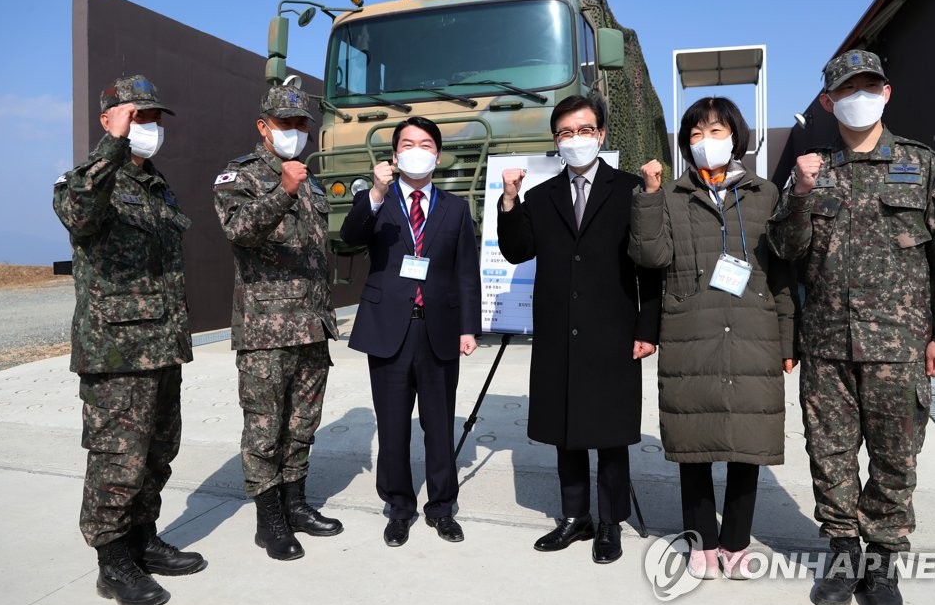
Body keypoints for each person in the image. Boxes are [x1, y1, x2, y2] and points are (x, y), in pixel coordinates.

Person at [767, 49, 935, 605]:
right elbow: (782, 250)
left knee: (894, 457)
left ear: (886, 93)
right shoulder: (813, 168)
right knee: (829, 454)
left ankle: (882, 561)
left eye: (870, 85)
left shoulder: (922, 165)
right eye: (846, 88)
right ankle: (841, 553)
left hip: (900, 346)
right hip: (827, 343)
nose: (859, 95)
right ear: (829, 101)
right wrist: (801, 193)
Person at [52, 75, 206, 605]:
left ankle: (143, 539)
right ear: (110, 120)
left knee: (157, 454)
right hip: (115, 354)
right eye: (137, 117)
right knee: (117, 461)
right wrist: (111, 145)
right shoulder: (87, 182)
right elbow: (78, 213)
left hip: (161, 347)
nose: (149, 127)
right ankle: (112, 562)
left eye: (153, 118)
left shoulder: (156, 187)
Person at [629, 97, 797, 580]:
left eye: (717, 131)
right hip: (690, 331)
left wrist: (788, 340)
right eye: (696, 135)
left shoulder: (765, 194)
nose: (707, 143)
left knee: (749, 441)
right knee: (694, 441)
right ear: (685, 144)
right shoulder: (672, 194)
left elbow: (781, 273)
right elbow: (650, 255)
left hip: (754, 330)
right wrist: (648, 194)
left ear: (736, 137)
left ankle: (737, 543)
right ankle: (701, 542)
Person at [497, 95, 661, 564]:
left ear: (601, 134)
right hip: (558, 330)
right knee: (566, 429)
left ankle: (611, 522)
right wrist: (508, 201)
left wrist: (647, 327)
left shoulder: (630, 189)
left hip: (613, 329)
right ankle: (576, 517)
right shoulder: (540, 196)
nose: (575, 140)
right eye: (565, 133)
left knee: (609, 432)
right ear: (555, 142)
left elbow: (648, 269)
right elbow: (516, 250)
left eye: (584, 130)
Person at [213, 82, 343, 562]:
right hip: (267, 330)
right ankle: (269, 521)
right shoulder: (239, 177)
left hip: (312, 325)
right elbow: (239, 231)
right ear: (263, 128)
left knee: (303, 423)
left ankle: (297, 504)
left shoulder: (308, 180)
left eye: (302, 124)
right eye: (286, 124)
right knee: (265, 429)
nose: (297, 131)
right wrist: (282, 192)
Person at [341, 116, 480, 547]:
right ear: (395, 154)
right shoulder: (378, 200)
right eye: (406, 143)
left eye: (424, 144)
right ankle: (399, 507)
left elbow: (466, 274)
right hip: (388, 332)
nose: (415, 150)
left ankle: (441, 507)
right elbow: (349, 237)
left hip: (438, 330)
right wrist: (376, 193)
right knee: (394, 424)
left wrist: (469, 327)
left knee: (439, 426)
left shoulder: (455, 208)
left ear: (437, 155)